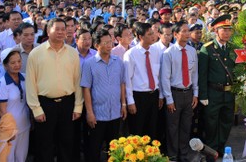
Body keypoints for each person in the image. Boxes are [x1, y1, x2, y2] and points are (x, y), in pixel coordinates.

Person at [25, 17, 83, 161]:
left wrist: (78, 106)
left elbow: (77, 81)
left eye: (63, 29)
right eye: (56, 29)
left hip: (67, 103)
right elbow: (30, 84)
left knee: (66, 143)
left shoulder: (72, 53)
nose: (61, 32)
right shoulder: (36, 53)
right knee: (44, 145)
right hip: (45, 104)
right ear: (48, 31)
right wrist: (36, 109)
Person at [81, 29, 127, 162]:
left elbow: (122, 84)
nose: (109, 45)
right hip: (97, 115)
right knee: (94, 149)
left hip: (115, 113)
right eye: (105, 43)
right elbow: (86, 89)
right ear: (96, 45)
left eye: (110, 42)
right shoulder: (89, 64)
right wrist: (89, 112)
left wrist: (123, 104)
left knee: (113, 149)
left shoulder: (118, 61)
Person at [198, 14, 236, 159]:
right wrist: (203, 95)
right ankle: (211, 151)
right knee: (211, 124)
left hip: (228, 93)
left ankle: (221, 147)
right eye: (223, 30)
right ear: (216, 31)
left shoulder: (232, 49)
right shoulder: (207, 49)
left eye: (229, 30)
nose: (227, 33)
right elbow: (202, 75)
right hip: (213, 93)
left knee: (226, 122)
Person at [161, 21, 199, 161]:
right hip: (174, 94)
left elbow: (194, 74)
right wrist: (169, 99)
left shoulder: (192, 51)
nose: (188, 33)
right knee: (172, 127)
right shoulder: (168, 53)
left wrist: (195, 93)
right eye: (184, 31)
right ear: (175, 34)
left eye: (188, 30)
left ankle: (183, 155)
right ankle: (172, 155)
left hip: (188, 93)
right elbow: (165, 78)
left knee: (185, 126)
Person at [123, 22, 164, 139]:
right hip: (138, 97)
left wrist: (160, 95)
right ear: (140, 37)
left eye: (153, 33)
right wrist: (130, 101)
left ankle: (151, 156)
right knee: (137, 130)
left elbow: (158, 75)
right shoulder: (131, 54)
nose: (153, 36)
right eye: (149, 34)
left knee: (152, 129)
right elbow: (127, 79)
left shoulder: (156, 51)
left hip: (154, 95)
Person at [0, 46, 30, 162]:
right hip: (10, 129)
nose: (17, 65)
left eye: (19, 61)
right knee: (9, 158)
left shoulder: (25, 78)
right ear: (5, 65)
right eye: (13, 63)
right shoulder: (3, 83)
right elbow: (2, 110)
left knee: (22, 157)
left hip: (25, 125)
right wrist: (9, 130)